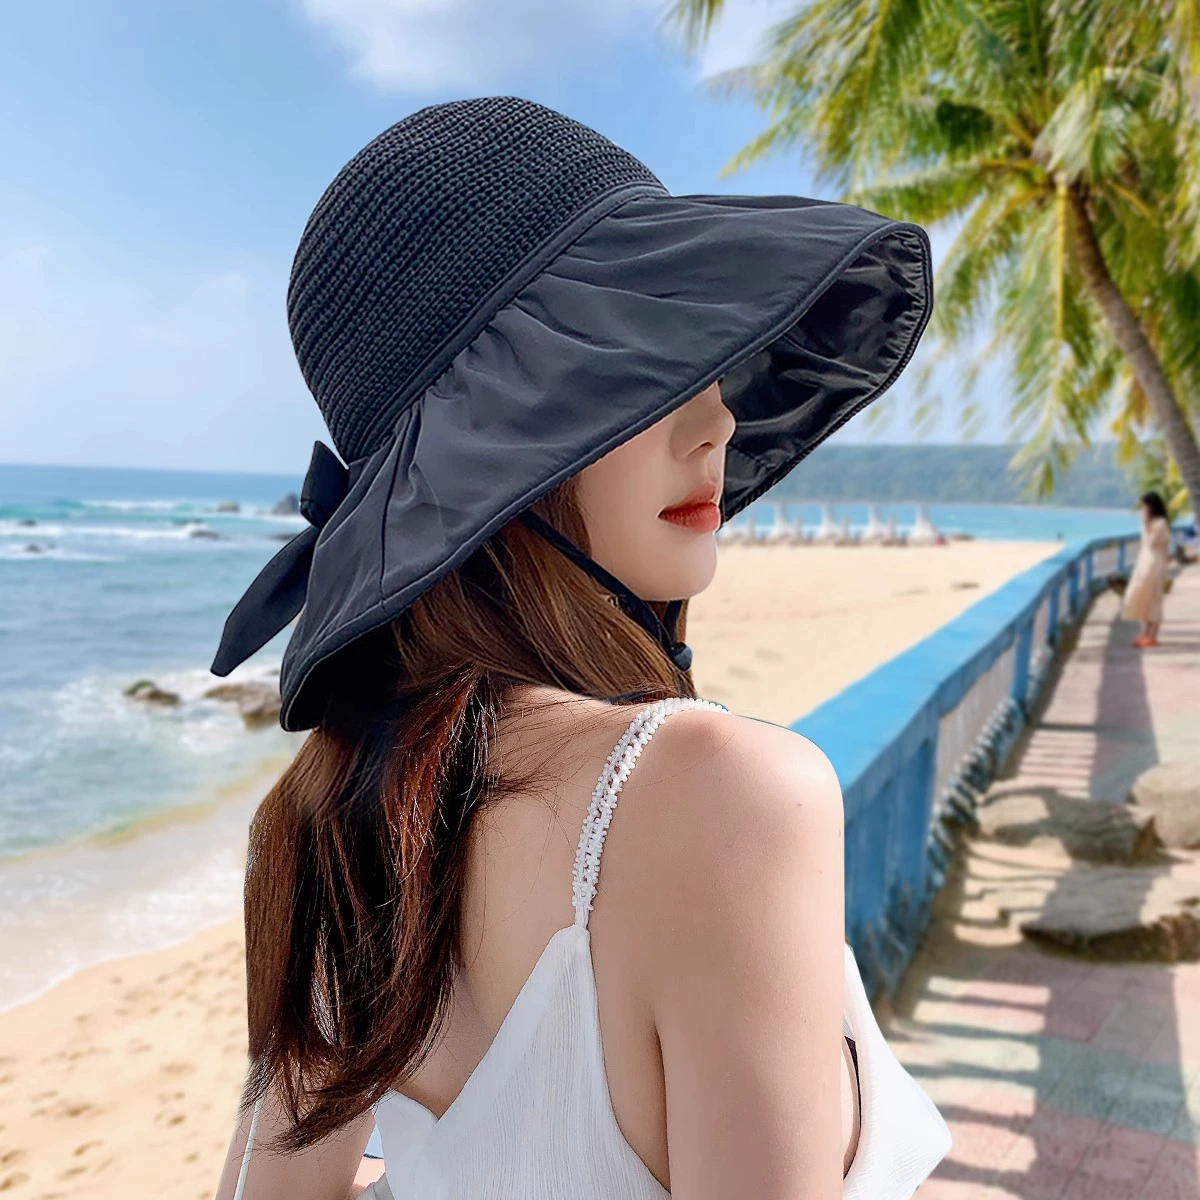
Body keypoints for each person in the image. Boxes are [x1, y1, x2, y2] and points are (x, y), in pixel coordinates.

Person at [210, 97, 950, 1200]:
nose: (716, 422)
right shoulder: (725, 795)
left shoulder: (336, 813)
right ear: (499, 443)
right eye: (642, 373)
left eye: (702, 363)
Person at [1124, 490, 1173, 648]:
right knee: (1141, 596)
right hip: (1145, 561)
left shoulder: (1160, 523)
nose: (1142, 510)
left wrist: (1145, 523)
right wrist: (1145, 523)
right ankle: (1145, 633)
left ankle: (1152, 635)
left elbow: (1151, 542)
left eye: (1144, 506)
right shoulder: (1150, 522)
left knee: (1154, 598)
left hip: (1155, 563)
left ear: (1151, 506)